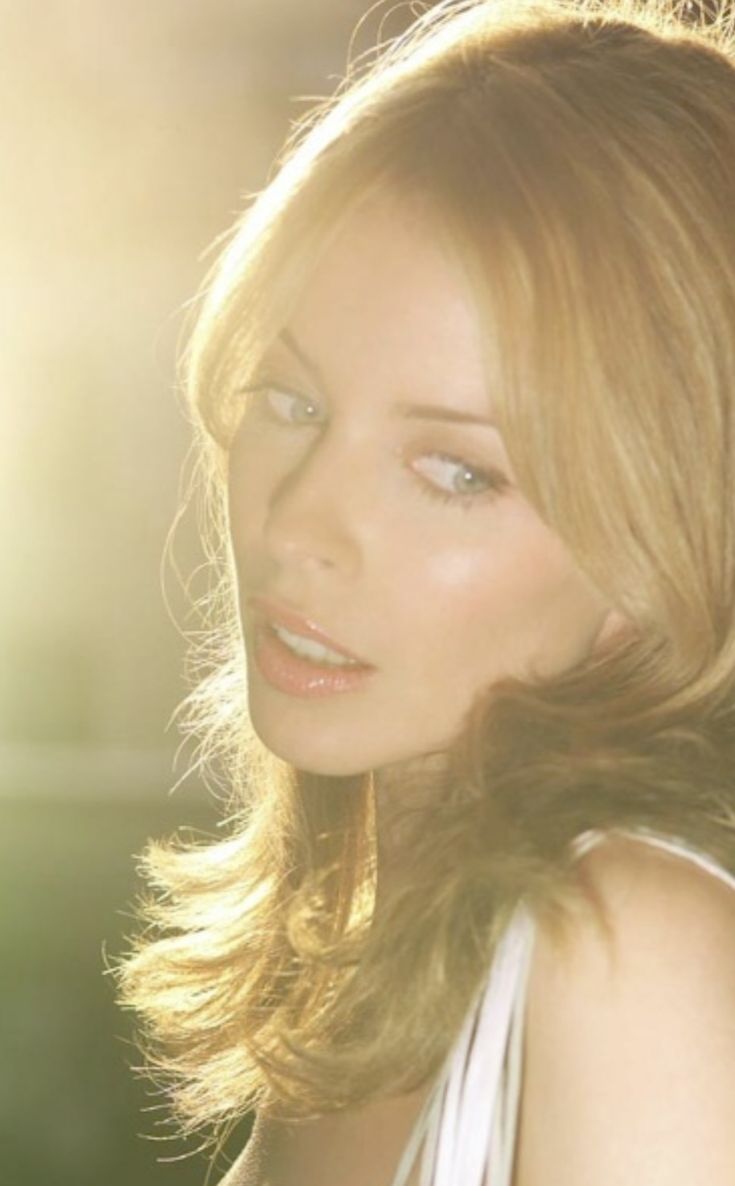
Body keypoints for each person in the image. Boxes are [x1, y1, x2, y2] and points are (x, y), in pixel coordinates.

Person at [118, 1, 735, 1182]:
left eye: (456, 470)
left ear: (671, 538)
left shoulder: (631, 946)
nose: (298, 522)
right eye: (293, 402)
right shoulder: (353, 964)